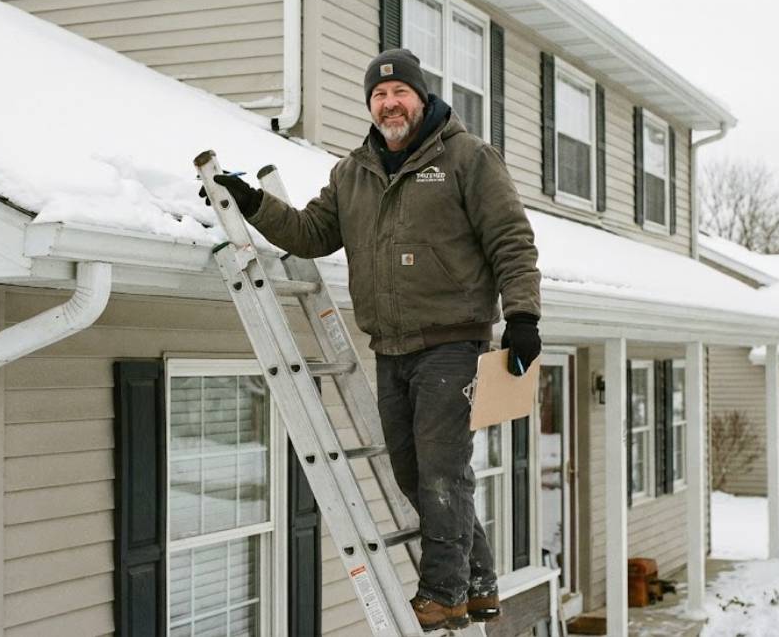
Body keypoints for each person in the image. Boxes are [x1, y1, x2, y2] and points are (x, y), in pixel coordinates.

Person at [201, 48, 541, 631]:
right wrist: (252, 202)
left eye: (399, 93)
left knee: (442, 471)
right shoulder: (352, 172)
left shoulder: (466, 159)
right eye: (378, 96)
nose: (389, 103)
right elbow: (310, 233)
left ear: (422, 97)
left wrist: (524, 316)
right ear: (370, 105)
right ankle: (480, 582)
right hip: (391, 349)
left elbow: (511, 238)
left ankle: (443, 592)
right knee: (414, 475)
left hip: (452, 344)